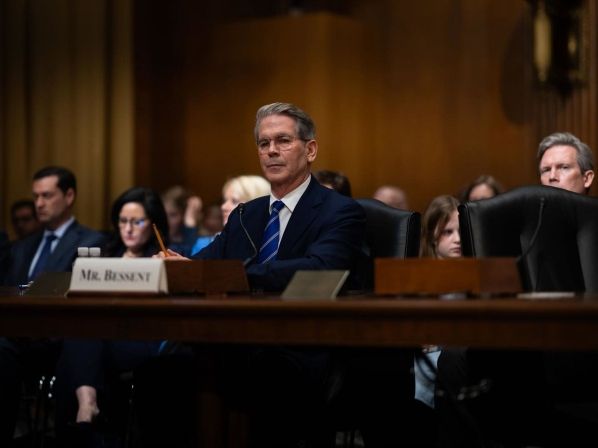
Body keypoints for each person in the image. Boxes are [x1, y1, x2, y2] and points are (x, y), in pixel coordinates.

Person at [161, 102, 396, 447]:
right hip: (235, 338)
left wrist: (240, 275)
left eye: (283, 140)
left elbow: (320, 268)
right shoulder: (245, 214)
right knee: (163, 370)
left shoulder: (340, 211)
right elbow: (203, 266)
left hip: (303, 343)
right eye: (263, 143)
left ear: (310, 150)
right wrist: (174, 266)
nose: (271, 150)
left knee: (263, 372)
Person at [54, 187, 194, 447]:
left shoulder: (170, 257)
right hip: (103, 338)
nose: (128, 229)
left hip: (146, 339)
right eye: (123, 221)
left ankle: (86, 414)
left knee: (82, 336)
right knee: (82, 327)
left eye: (136, 222)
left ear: (153, 224)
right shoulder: (103, 254)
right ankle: (87, 405)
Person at [0, 166, 105, 446]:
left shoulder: (91, 242)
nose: (39, 203)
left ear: (69, 196)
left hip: (59, 341)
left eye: (46, 195)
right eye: (36, 196)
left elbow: (78, 294)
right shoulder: (22, 246)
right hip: (17, 340)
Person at [191, 175, 270, 255]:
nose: (223, 207)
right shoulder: (204, 246)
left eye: (234, 201)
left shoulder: (271, 246)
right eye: (224, 200)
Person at [161, 185, 203, 255]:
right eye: (163, 214)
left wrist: (190, 222)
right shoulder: (155, 241)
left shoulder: (201, 239)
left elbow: (190, 256)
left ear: (184, 215)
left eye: (173, 215)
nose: (166, 220)